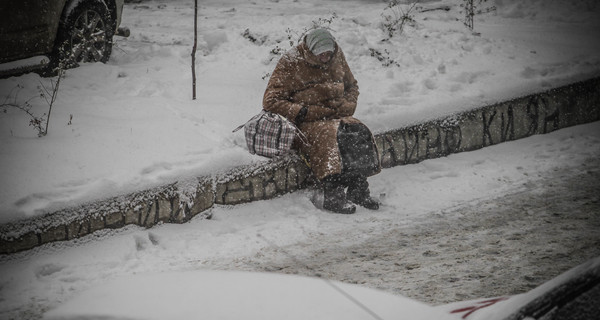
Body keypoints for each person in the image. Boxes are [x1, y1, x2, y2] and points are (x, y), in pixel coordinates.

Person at [262, 28, 381, 214]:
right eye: (321, 54)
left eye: (329, 53)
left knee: (358, 131)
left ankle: (358, 187)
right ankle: (332, 193)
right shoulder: (291, 61)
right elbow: (271, 102)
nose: (326, 57)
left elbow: (351, 86)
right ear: (311, 51)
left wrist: (348, 106)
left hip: (336, 115)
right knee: (330, 137)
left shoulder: (336, 54)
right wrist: (306, 112)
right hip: (305, 122)